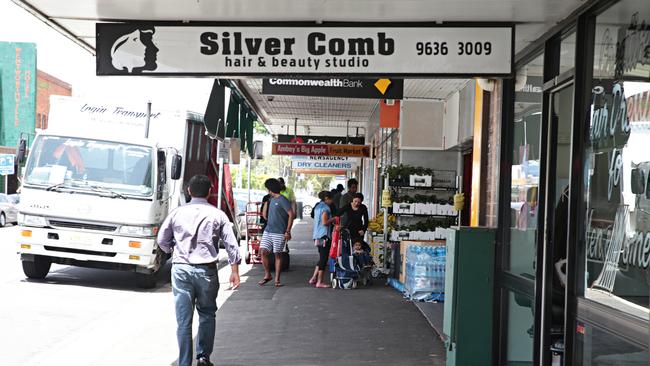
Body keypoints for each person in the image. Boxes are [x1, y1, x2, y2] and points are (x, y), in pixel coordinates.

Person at [157, 175, 241, 366]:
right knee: (207, 314)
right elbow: (231, 245)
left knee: (184, 320)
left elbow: (162, 239)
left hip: (181, 270)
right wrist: (234, 270)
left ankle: (184, 362)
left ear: (189, 191)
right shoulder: (218, 214)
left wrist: (174, 251)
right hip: (207, 272)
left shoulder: (177, 213)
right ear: (210, 192)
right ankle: (203, 357)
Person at [259, 178, 295, 287]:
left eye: (268, 189)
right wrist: (266, 202)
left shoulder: (282, 200)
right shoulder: (271, 200)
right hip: (268, 231)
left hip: (279, 232)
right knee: (263, 252)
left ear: (271, 189)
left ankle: (277, 280)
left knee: (277, 255)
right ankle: (267, 275)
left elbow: (291, 214)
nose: (267, 191)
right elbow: (264, 216)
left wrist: (288, 231)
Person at [309, 191, 335, 288]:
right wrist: (333, 219)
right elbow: (325, 222)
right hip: (324, 236)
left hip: (317, 235)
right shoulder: (326, 208)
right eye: (331, 199)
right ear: (327, 198)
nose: (332, 201)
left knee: (321, 257)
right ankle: (319, 282)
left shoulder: (318, 206)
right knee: (324, 259)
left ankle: (313, 278)